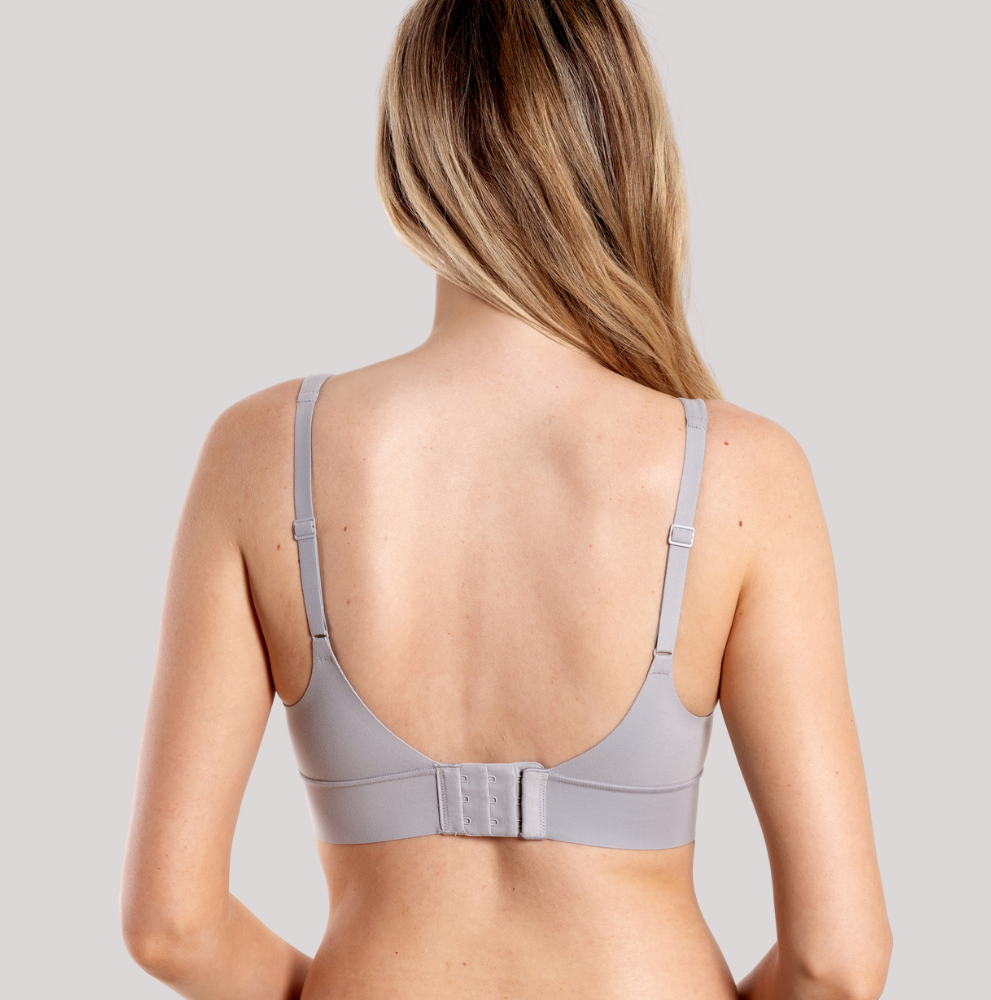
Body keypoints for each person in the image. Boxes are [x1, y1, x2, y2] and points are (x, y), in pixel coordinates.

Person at [120, 1, 892, 997]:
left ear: (411, 160)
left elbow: (171, 925)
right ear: (625, 151)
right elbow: (837, 962)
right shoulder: (741, 472)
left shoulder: (264, 454)